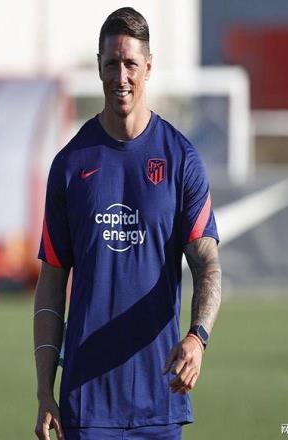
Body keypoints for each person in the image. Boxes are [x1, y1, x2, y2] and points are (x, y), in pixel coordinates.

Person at [34, 7, 221, 440]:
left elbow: (208, 265)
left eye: (131, 64)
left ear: (148, 67)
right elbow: (51, 283)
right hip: (86, 406)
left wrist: (198, 337)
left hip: (160, 402)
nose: (121, 76)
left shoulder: (181, 160)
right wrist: (44, 390)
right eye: (112, 64)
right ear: (99, 66)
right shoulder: (69, 165)